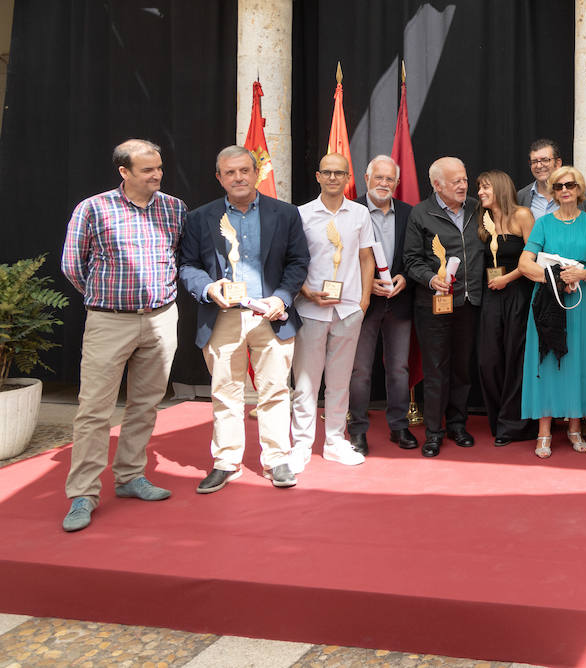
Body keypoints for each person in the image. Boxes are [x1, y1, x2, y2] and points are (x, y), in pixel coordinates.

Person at [59, 139, 186, 532]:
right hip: (109, 321)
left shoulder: (174, 208)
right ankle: (83, 493)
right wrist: (105, 298)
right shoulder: (93, 209)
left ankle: (130, 477)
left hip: (162, 317)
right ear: (124, 172)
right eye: (148, 169)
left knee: (146, 404)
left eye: (160, 167)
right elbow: (72, 265)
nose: (157, 175)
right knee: (94, 410)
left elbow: (179, 256)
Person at [179, 145, 310, 493]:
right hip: (222, 317)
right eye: (230, 172)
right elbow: (188, 266)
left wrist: (282, 298)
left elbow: (299, 262)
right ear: (219, 178)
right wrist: (208, 288)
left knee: (275, 391)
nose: (238, 177)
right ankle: (225, 461)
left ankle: (277, 459)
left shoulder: (285, 214)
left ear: (256, 174)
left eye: (244, 171)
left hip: (272, 316)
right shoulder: (199, 218)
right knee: (225, 393)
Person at [289, 152, 375, 473]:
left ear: (347, 177)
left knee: (340, 382)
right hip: (311, 308)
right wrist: (303, 291)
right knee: (306, 382)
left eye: (340, 173)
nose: (334, 178)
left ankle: (336, 442)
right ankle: (301, 445)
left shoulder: (360, 214)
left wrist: (363, 301)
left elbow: (367, 259)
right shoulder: (301, 214)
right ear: (318, 176)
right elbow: (294, 260)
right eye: (328, 172)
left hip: (349, 310)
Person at [518, 165, 586, 458]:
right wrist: (555, 278)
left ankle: (574, 427)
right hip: (549, 301)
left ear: (579, 189)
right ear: (553, 192)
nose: (564, 190)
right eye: (558, 187)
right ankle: (544, 432)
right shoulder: (542, 224)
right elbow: (524, 264)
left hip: (583, 301)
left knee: (577, 361)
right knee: (546, 362)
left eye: (569, 185)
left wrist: (579, 275)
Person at [403, 157, 485, 457]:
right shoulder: (420, 213)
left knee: (462, 368)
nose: (464, 185)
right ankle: (434, 432)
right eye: (456, 182)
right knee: (436, 369)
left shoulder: (477, 208)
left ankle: (457, 425)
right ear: (437, 185)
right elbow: (411, 260)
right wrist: (430, 279)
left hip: (469, 301)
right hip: (434, 304)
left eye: (464, 179)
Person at [347, 155, 417, 453]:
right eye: (379, 178)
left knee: (399, 369)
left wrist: (406, 278)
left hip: (399, 302)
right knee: (360, 370)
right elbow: (341, 258)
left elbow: (417, 256)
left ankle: (399, 427)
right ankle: (358, 430)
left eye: (390, 179)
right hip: (363, 303)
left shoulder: (409, 213)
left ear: (397, 183)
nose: (384, 184)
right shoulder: (351, 211)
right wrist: (365, 283)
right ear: (366, 179)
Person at [476, 168, 537, 445]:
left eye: (485, 187)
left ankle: (513, 426)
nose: (480, 193)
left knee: (516, 358)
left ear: (499, 187)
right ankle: (498, 419)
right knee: (489, 360)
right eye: (479, 188)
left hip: (518, 294)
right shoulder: (483, 219)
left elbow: (535, 258)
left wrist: (507, 279)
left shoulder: (522, 215)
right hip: (491, 295)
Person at [517, 138, 586, 218]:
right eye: (534, 161)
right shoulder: (522, 196)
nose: (539, 166)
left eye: (545, 160)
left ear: (558, 163)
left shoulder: (585, 194)